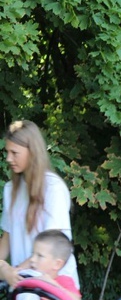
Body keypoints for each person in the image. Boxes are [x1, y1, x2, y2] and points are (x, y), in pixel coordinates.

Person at [0, 121, 78, 289]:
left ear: (32, 152)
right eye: (7, 152)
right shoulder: (10, 190)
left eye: (14, 153)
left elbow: (53, 247)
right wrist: (3, 269)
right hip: (24, 289)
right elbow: (6, 240)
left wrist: (16, 272)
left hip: (56, 293)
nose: (8, 159)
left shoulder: (53, 189)